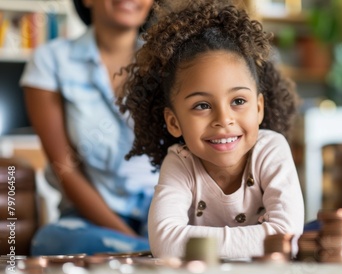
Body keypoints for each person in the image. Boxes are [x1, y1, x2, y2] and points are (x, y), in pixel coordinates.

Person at [118, 1, 304, 259]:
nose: (223, 119)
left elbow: (288, 237)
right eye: (202, 105)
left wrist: (193, 245)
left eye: (238, 101)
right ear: (174, 122)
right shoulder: (181, 162)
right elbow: (164, 243)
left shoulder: (271, 149)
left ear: (259, 108)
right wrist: (262, 239)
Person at [20, 0, 157, 255]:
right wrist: (138, 248)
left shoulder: (168, 61)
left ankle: (145, 253)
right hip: (90, 220)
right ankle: (149, 255)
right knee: (49, 241)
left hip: (164, 210)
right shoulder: (50, 61)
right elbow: (65, 169)